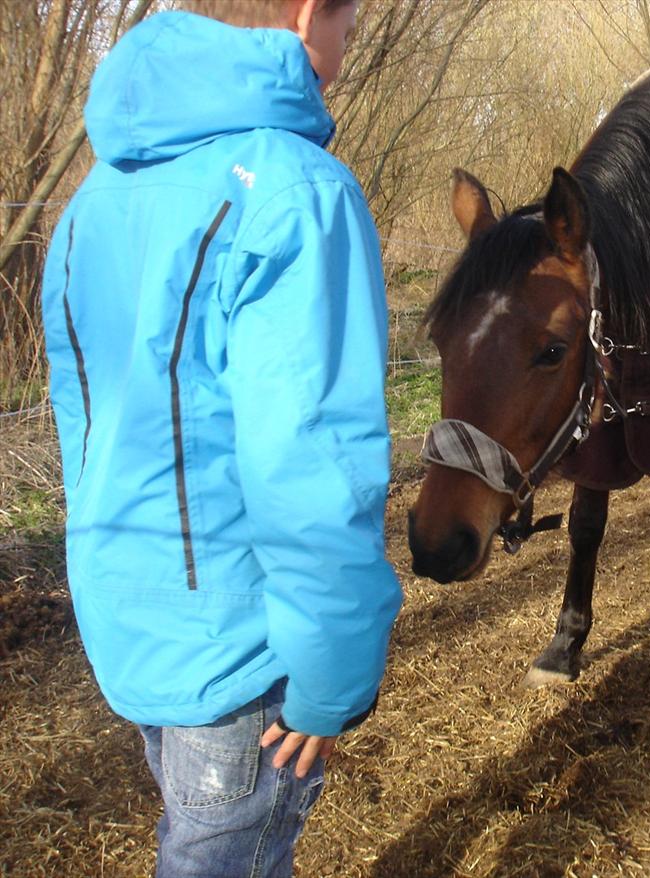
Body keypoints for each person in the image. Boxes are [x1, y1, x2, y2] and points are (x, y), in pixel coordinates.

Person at [40, 1, 401, 874]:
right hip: (243, 650)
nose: (349, 48)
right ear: (308, 15)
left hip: (128, 620)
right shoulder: (295, 190)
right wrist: (333, 679)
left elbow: (89, 428)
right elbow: (309, 465)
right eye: (349, 24)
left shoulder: (93, 197)